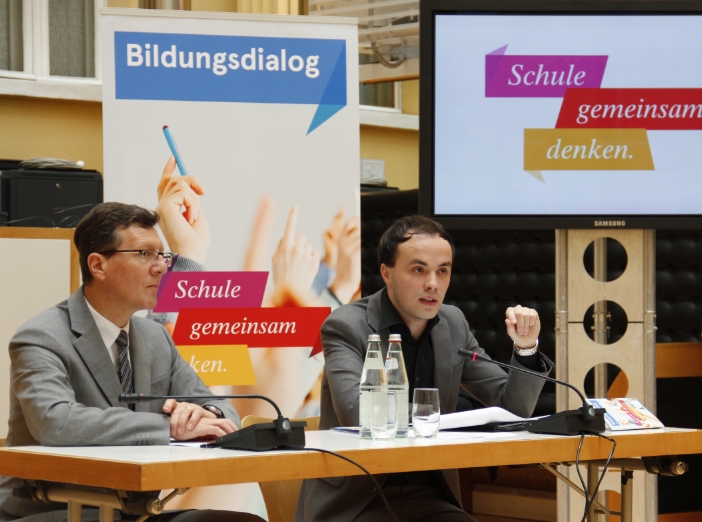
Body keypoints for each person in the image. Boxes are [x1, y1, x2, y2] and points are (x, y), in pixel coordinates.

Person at [0, 202, 264, 522]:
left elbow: (222, 409)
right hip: (52, 506)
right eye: (144, 254)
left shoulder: (156, 338)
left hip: (132, 509)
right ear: (98, 265)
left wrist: (206, 415)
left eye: (162, 255)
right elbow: (57, 424)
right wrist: (170, 428)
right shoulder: (42, 336)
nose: (161, 267)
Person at [295, 215, 552, 522]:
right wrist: (441, 420)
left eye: (442, 271)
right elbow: (358, 414)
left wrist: (526, 348)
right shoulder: (347, 326)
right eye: (418, 270)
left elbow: (513, 407)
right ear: (386, 273)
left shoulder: (453, 324)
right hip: (356, 501)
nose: (433, 283)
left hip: (429, 497)